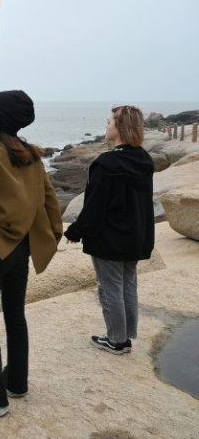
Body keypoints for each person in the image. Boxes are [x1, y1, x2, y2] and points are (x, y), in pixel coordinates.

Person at [0, 90, 62, 417]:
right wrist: (52, 235)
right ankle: (16, 382)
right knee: (15, 316)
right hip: (21, 251)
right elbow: (49, 199)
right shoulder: (32, 155)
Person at [64, 106, 154, 355]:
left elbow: (95, 205)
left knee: (109, 287)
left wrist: (75, 231)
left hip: (110, 238)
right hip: (135, 237)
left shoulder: (106, 163)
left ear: (121, 127)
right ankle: (125, 335)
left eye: (110, 121)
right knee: (127, 285)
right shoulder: (144, 160)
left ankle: (116, 339)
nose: (106, 126)